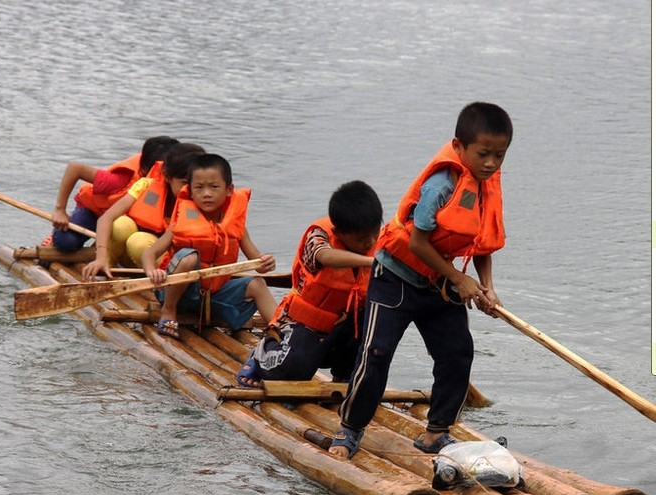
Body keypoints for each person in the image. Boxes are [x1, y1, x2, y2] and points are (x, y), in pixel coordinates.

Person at [329, 102, 513, 459]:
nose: (491, 163)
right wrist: (459, 278)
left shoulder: (485, 186)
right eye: (483, 154)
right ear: (459, 147)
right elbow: (417, 243)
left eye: (500, 155)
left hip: (437, 284)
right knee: (376, 352)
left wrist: (487, 287)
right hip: (395, 278)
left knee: (457, 352)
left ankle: (436, 433)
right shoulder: (441, 185)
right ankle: (349, 429)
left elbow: (481, 243)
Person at [235, 180, 383, 388]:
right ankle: (261, 354)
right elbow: (325, 256)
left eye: (374, 233)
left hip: (346, 327)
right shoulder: (318, 236)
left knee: (375, 328)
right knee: (293, 372)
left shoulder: (382, 239)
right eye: (361, 239)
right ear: (338, 232)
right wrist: (371, 262)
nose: (371, 242)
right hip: (306, 325)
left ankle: (344, 376)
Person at [141, 153, 278, 340]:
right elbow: (149, 253)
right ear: (190, 191)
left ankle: (281, 330)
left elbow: (258, 265)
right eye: (199, 187)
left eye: (214, 187)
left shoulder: (236, 227)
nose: (206, 194)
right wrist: (152, 271)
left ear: (229, 190)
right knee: (189, 257)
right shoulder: (181, 223)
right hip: (179, 296)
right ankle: (168, 312)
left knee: (257, 284)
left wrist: (267, 263)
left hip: (213, 297)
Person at [81, 142, 205, 279]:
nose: (191, 189)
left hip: (168, 266)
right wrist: (101, 257)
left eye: (197, 183)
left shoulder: (204, 199)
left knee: (139, 241)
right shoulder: (146, 185)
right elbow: (106, 218)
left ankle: (158, 281)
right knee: (121, 224)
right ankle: (105, 269)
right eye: (185, 183)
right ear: (167, 176)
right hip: (133, 258)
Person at [48, 136, 179, 252]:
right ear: (145, 170)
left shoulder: (178, 184)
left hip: (122, 223)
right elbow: (75, 168)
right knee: (66, 242)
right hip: (95, 214)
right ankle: (55, 238)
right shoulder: (120, 181)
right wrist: (60, 210)